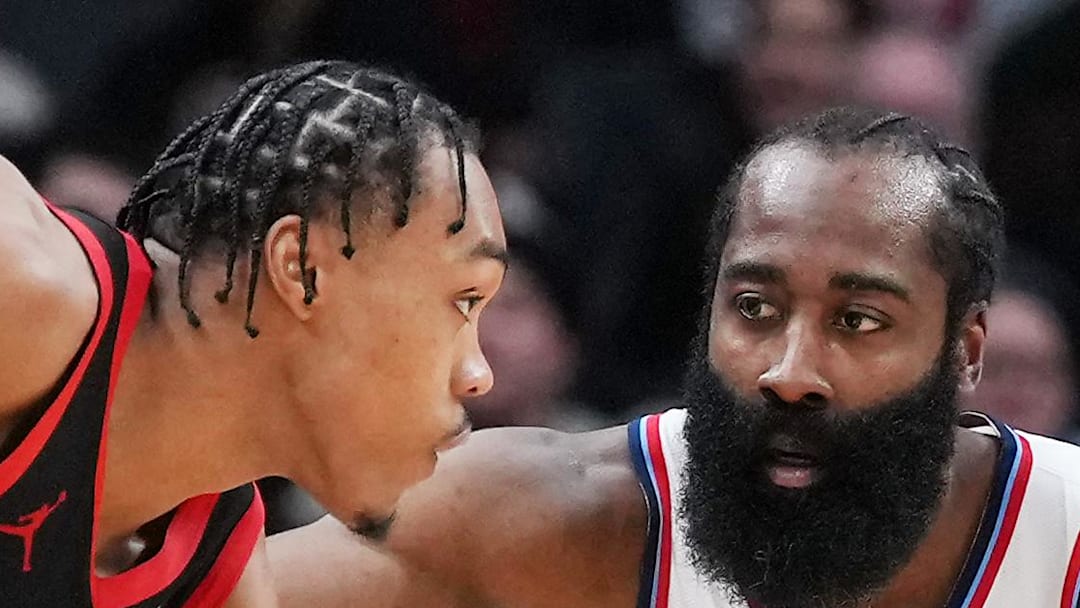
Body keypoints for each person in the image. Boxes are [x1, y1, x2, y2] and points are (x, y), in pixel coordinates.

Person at [269, 107, 1080, 608]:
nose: (789, 371)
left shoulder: (1065, 532)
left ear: (965, 351)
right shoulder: (545, 517)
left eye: (860, 320)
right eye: (754, 308)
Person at [0, 59, 506, 606]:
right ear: (303, 268)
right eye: (465, 300)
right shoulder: (27, 288)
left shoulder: (215, 573)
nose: (479, 375)